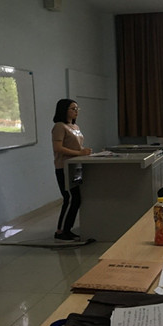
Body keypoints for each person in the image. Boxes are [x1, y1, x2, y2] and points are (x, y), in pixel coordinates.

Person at [51, 99, 92, 241]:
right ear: (64, 110)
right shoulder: (59, 126)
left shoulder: (75, 126)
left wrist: (84, 151)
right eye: (73, 109)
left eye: (77, 109)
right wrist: (80, 153)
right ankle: (61, 231)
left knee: (77, 199)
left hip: (76, 166)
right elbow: (58, 148)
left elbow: (75, 146)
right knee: (69, 198)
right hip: (64, 167)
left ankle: (68, 229)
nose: (76, 111)